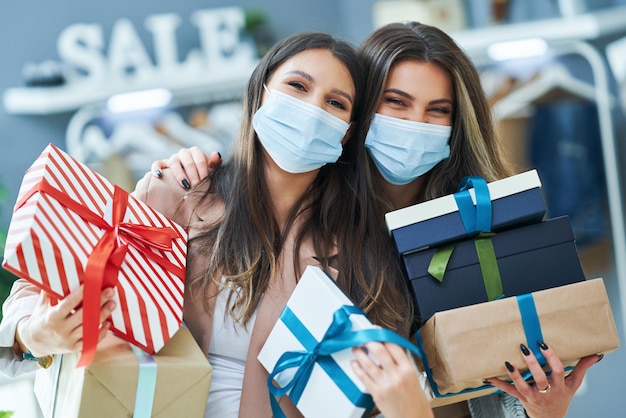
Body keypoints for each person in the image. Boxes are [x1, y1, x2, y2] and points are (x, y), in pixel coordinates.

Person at [154, 21, 603, 418]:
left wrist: (545, 411)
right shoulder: (317, 229)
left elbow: (502, 385)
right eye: (396, 102)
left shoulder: (477, 226)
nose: (414, 124)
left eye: (438, 110)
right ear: (360, 117)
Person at [0, 31, 432, 418]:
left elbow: (374, 395)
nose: (312, 110)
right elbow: (37, 289)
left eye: (335, 103)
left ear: (347, 133)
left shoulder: (361, 246)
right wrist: (35, 332)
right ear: (259, 94)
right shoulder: (181, 191)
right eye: (297, 86)